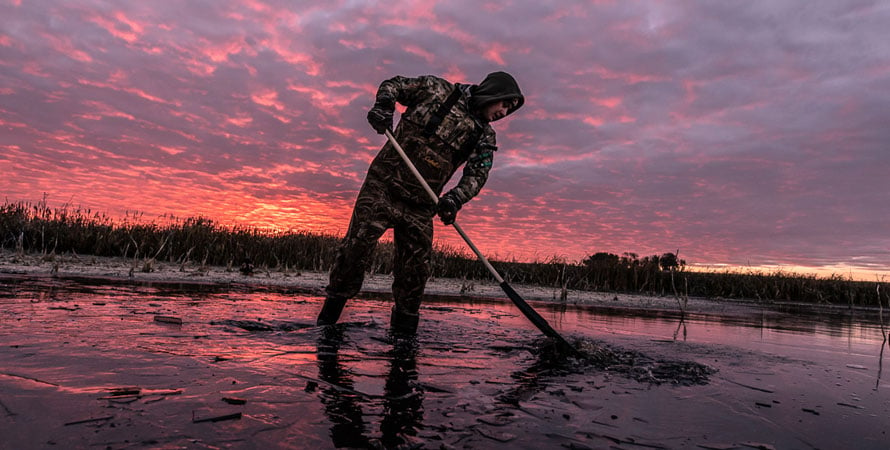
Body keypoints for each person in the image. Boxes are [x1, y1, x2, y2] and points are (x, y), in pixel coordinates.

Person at [316, 71, 524, 334]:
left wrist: (454, 199)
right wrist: (383, 107)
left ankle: (403, 344)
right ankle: (324, 328)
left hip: (422, 206)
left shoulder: (485, 136)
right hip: (383, 187)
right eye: (505, 104)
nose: (505, 112)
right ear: (494, 93)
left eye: (510, 110)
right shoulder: (436, 89)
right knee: (354, 253)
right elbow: (393, 86)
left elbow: (477, 175)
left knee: (414, 276)